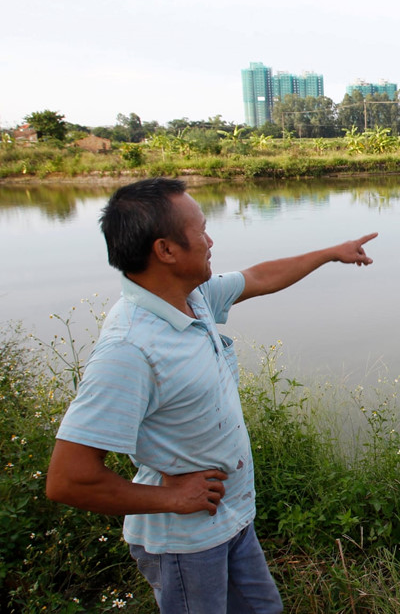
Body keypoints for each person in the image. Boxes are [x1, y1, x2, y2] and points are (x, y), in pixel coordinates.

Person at [45, 177, 377, 613]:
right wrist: (172, 499)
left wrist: (331, 252)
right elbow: (68, 479)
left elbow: (260, 276)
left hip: (230, 520)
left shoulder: (193, 299)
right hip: (185, 545)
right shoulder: (131, 348)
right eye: (201, 230)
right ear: (165, 250)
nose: (210, 239)